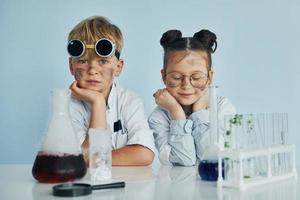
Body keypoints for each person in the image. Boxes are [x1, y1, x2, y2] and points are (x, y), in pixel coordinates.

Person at [68, 16, 155, 166]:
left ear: (118, 67)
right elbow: (81, 160)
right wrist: (98, 104)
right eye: (83, 61)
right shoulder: (67, 105)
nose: (93, 70)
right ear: (71, 66)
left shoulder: (130, 100)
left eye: (103, 61)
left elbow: (145, 154)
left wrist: (96, 159)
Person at [148, 29, 236, 166]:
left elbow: (216, 158)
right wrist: (176, 113)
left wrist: (199, 111)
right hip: (177, 185)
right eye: (177, 77)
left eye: (196, 77)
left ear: (210, 77)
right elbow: (184, 160)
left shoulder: (222, 107)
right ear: (164, 76)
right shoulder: (159, 117)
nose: (186, 85)